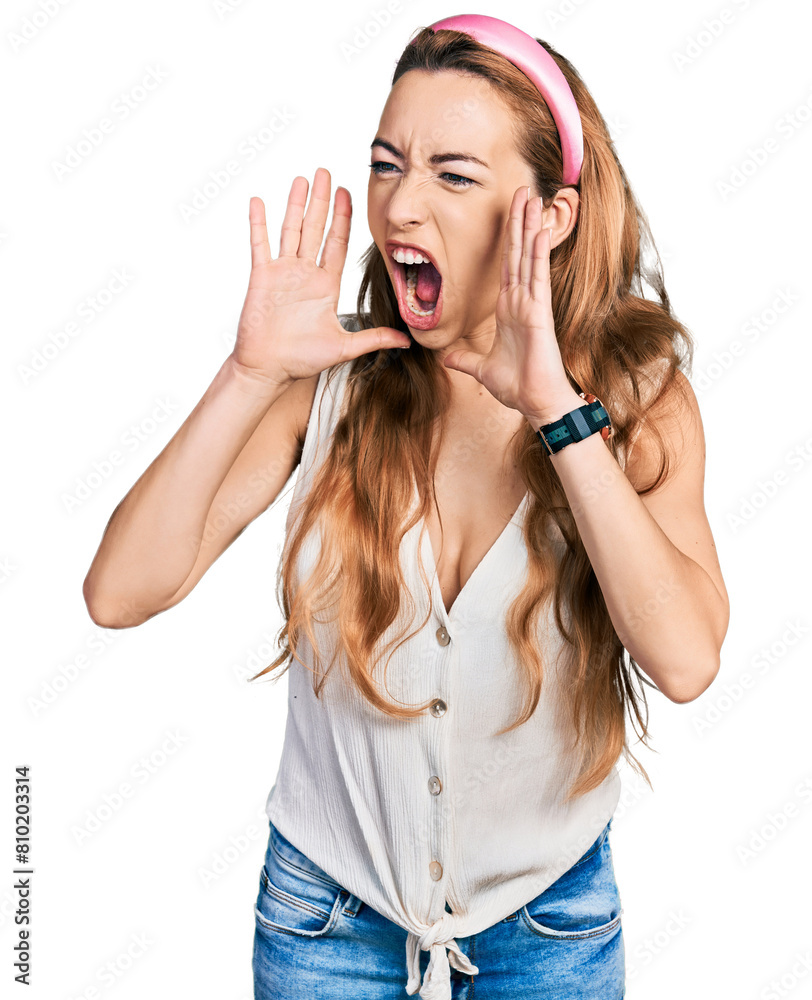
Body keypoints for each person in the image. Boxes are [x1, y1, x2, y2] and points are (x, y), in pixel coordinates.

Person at [83, 13, 730, 1000]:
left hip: (549, 923)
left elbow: (683, 659)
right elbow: (119, 592)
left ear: (546, 217)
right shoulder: (326, 382)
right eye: (387, 165)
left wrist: (559, 413)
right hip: (325, 918)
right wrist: (247, 373)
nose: (399, 207)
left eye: (452, 175)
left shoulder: (636, 401)